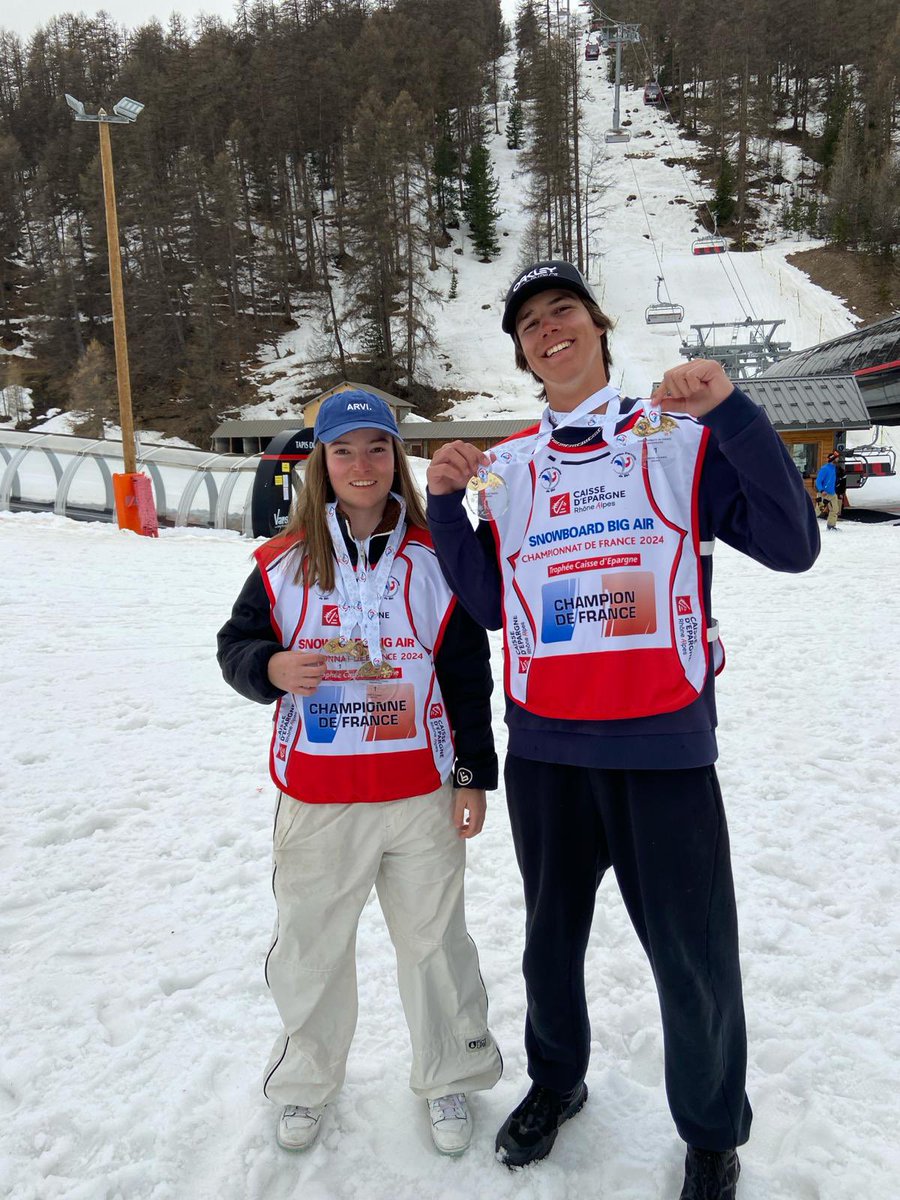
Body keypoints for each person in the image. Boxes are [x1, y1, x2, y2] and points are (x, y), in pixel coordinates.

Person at [425, 261, 820, 1199]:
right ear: (522, 354)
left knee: (692, 956)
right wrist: (444, 504)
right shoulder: (512, 468)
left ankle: (713, 1133)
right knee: (549, 943)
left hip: (663, 751)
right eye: (529, 324)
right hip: (549, 753)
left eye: (562, 311)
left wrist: (734, 412)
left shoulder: (677, 440)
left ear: (597, 327)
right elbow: (485, 604)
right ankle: (557, 1082)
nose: (547, 329)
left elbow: (794, 544)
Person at [217, 389, 502, 1156]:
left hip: (420, 793)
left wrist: (473, 772)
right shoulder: (283, 562)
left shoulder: (435, 558)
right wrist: (270, 665)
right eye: (343, 450)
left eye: (377, 447)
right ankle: (306, 1082)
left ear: (396, 457)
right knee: (310, 947)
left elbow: (465, 669)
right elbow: (235, 649)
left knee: (435, 943)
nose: (362, 464)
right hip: (319, 796)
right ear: (322, 463)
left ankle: (447, 1074)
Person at [815, 450, 843, 530]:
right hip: (824, 494)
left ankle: (831, 526)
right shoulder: (825, 469)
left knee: (835, 509)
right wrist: (821, 490)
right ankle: (806, 524)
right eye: (836, 458)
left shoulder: (836, 469)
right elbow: (818, 481)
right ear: (832, 459)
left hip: (832, 494)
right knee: (819, 511)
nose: (838, 459)